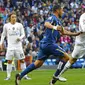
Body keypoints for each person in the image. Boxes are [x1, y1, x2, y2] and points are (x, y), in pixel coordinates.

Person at [15, 4, 82, 85]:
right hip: (49, 44)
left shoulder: (58, 21)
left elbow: (64, 32)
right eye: (61, 10)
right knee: (67, 57)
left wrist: (76, 34)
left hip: (45, 45)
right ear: (57, 10)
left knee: (38, 63)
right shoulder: (52, 18)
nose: (63, 12)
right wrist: (54, 28)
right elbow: (46, 23)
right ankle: (55, 77)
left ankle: (20, 76)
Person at [53, 4, 85, 81]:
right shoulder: (83, 17)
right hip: (82, 42)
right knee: (73, 59)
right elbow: (83, 29)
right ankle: (57, 76)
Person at [0, 12, 31, 80]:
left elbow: (23, 34)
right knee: (9, 61)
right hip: (10, 47)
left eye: (15, 17)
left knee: (22, 60)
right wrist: (1, 43)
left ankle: (25, 75)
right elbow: (3, 35)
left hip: (18, 46)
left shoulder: (19, 25)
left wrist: (20, 38)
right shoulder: (6, 26)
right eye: (12, 17)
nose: (14, 18)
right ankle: (8, 76)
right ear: (10, 18)